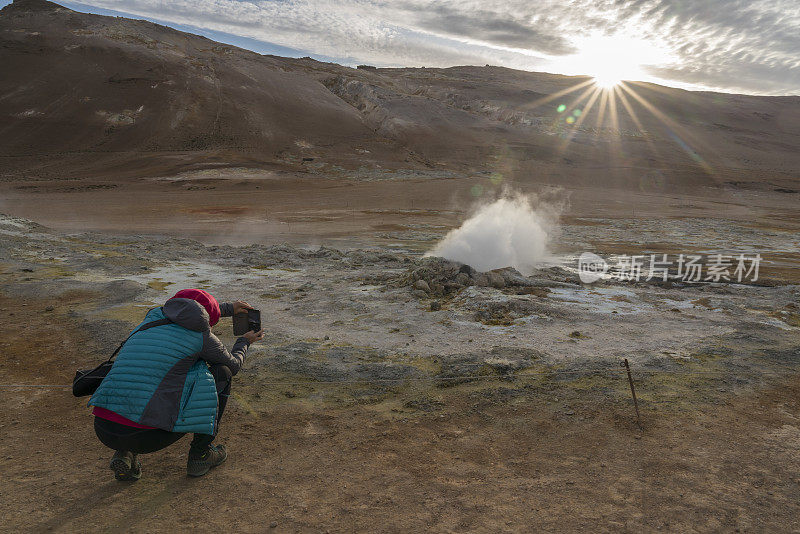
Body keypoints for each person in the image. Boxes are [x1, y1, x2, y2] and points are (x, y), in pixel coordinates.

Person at [88, 288, 264, 480]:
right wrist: (244, 342)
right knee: (222, 373)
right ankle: (201, 454)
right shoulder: (201, 335)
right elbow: (233, 364)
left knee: (144, 380)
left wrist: (229, 308)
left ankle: (125, 453)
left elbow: (187, 311)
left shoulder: (150, 320)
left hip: (103, 429)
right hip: (148, 436)